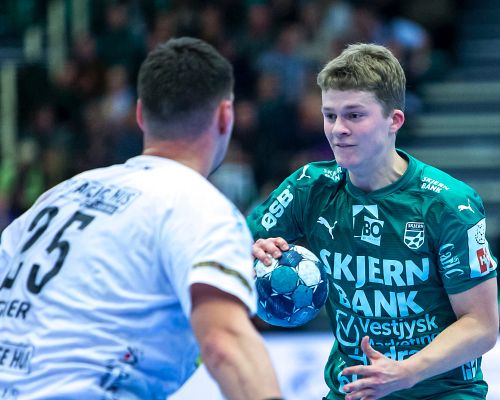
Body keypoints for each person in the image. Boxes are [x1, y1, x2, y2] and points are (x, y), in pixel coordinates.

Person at [0, 37, 282, 400]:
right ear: (225, 116)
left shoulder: (63, 194)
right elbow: (224, 344)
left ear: (139, 115)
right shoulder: (200, 205)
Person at [247, 43, 498, 400]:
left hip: (442, 392)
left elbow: (482, 325)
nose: (338, 129)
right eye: (330, 115)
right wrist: (253, 250)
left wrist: (406, 372)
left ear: (394, 120)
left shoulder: (447, 204)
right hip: (354, 390)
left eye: (354, 115)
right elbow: (230, 246)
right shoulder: (309, 186)